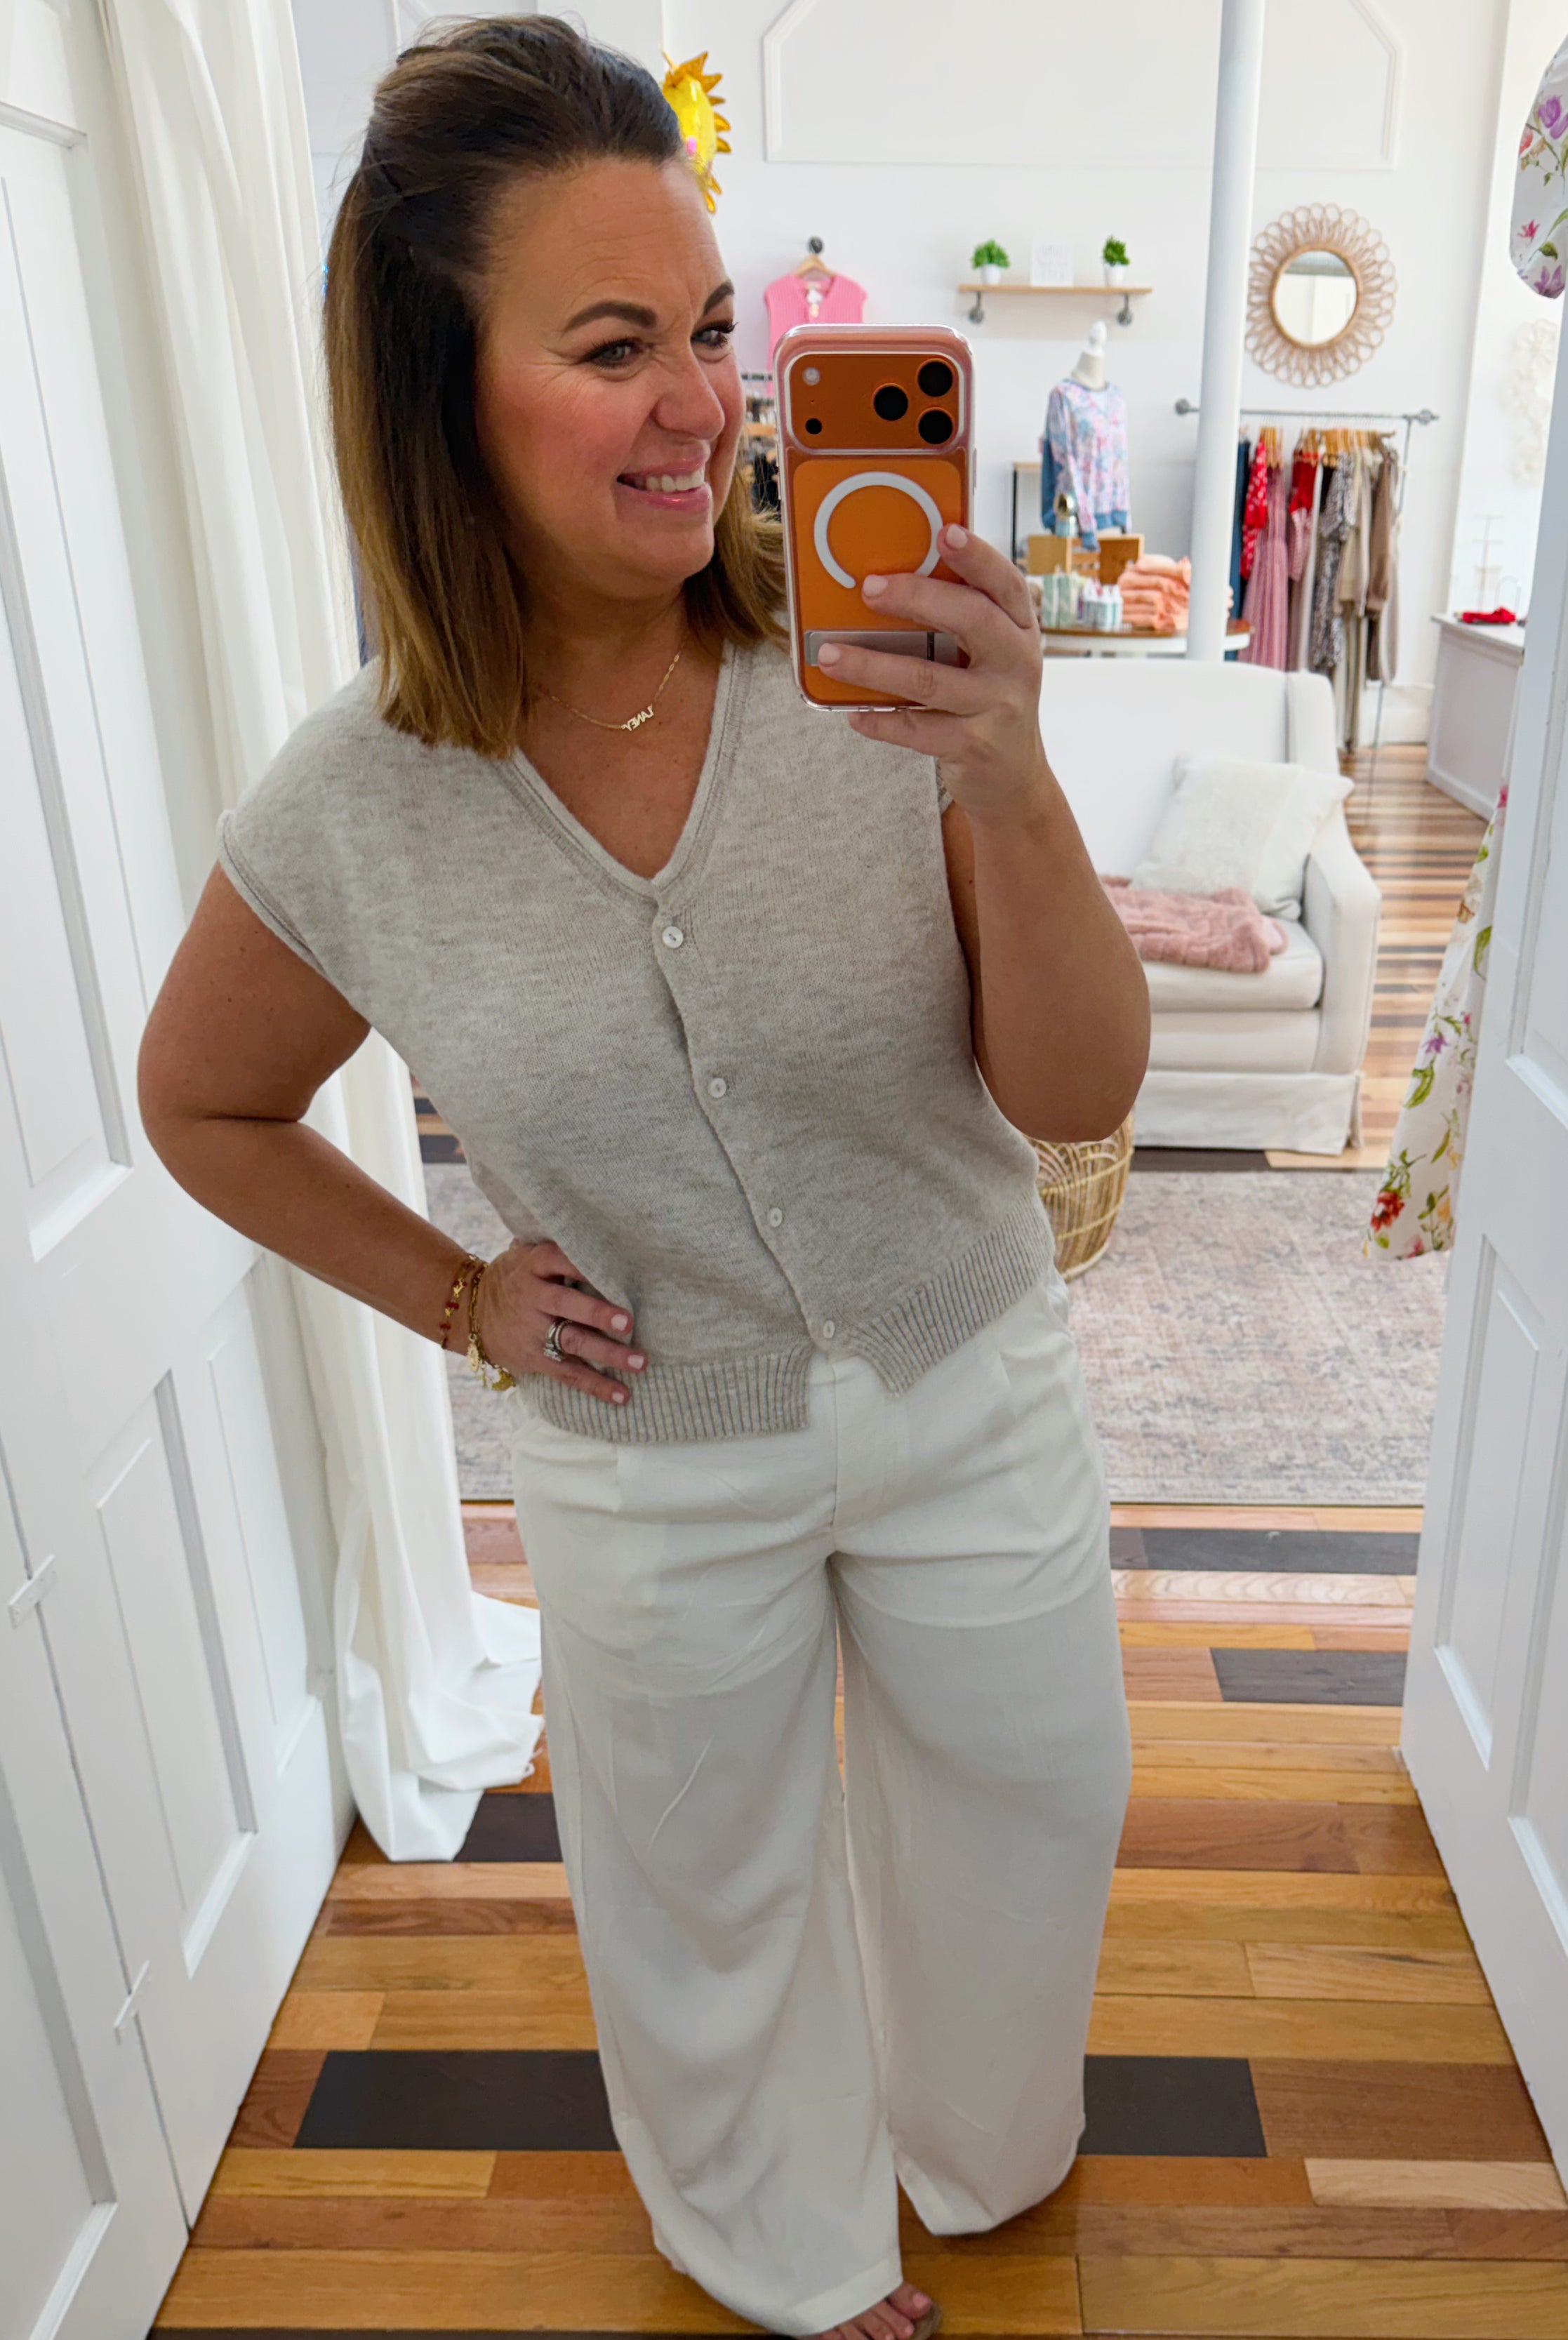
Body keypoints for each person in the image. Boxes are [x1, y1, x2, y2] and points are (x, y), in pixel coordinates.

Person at [136, 18, 1148, 2339]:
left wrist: (1006, 774)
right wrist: (456, 1293)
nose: (703, 401)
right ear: (440, 399)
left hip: (966, 1378)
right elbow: (201, 1106)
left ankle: (976, 2149)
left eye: (709, 329)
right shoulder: (350, 805)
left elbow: (1076, 1085)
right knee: (701, 1888)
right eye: (614, 349)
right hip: (648, 1452)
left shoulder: (874, 667)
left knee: (1029, 1813)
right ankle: (772, 2237)